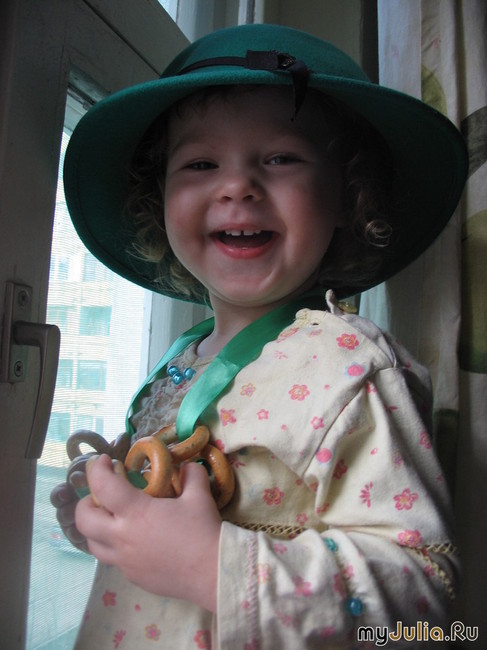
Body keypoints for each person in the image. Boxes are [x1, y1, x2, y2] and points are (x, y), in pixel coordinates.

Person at [51, 24, 467, 649]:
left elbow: (427, 603)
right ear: (159, 201)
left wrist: (209, 566)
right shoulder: (181, 360)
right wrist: (111, 522)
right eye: (200, 163)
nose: (237, 185)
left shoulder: (353, 368)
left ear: (347, 197)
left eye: (280, 158)